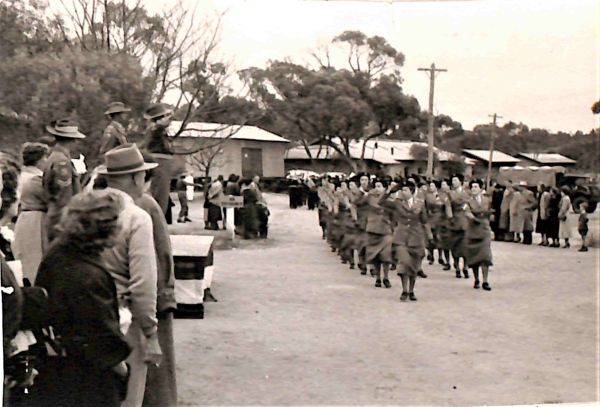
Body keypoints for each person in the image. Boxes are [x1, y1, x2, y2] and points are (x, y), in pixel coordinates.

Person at [34, 191, 131, 407]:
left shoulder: (59, 252)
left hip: (57, 368)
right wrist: (123, 370)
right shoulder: (89, 277)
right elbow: (102, 340)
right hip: (88, 380)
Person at [96, 144, 162, 407]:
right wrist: (151, 332)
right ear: (136, 178)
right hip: (125, 318)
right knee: (129, 395)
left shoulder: (85, 211)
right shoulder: (136, 217)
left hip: (91, 315)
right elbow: (143, 282)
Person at [135, 154, 177, 407]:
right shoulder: (144, 204)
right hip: (149, 292)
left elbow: (162, 254)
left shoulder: (144, 205)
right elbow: (163, 254)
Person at [42, 119, 86, 245]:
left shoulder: (54, 157)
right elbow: (64, 197)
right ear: (71, 140)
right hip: (61, 218)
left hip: (55, 215)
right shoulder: (62, 162)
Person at [12, 143, 49, 284]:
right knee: (34, 260)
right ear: (39, 159)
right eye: (45, 157)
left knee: (24, 259)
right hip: (35, 220)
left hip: (24, 218)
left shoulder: (21, 175)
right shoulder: (36, 178)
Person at [139, 103, 174, 215]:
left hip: (163, 162)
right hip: (160, 161)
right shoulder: (155, 129)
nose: (167, 119)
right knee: (160, 194)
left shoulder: (158, 130)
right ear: (157, 120)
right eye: (163, 116)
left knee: (162, 195)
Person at [364, 180, 394, 288]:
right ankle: (377, 277)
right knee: (375, 255)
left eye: (380, 186)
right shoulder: (371, 197)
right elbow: (378, 205)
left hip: (386, 229)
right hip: (373, 229)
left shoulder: (390, 199)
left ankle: (386, 277)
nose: (377, 188)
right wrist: (387, 193)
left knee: (386, 255)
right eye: (376, 186)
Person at [465, 180, 493, 291]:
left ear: (480, 189)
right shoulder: (467, 201)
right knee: (474, 257)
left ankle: (485, 281)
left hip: (484, 230)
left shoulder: (487, 200)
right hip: (473, 230)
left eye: (476, 187)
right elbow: (467, 213)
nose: (474, 188)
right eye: (472, 187)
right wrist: (474, 217)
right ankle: (476, 279)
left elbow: (490, 213)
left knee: (485, 256)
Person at [447, 175, 469, 279]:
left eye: (456, 180)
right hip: (454, 221)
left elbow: (469, 204)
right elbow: (448, 206)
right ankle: (456, 267)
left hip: (465, 221)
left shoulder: (466, 193)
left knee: (465, 245)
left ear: (461, 182)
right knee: (455, 246)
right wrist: (450, 217)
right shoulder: (450, 193)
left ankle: (465, 266)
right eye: (452, 180)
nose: (454, 182)